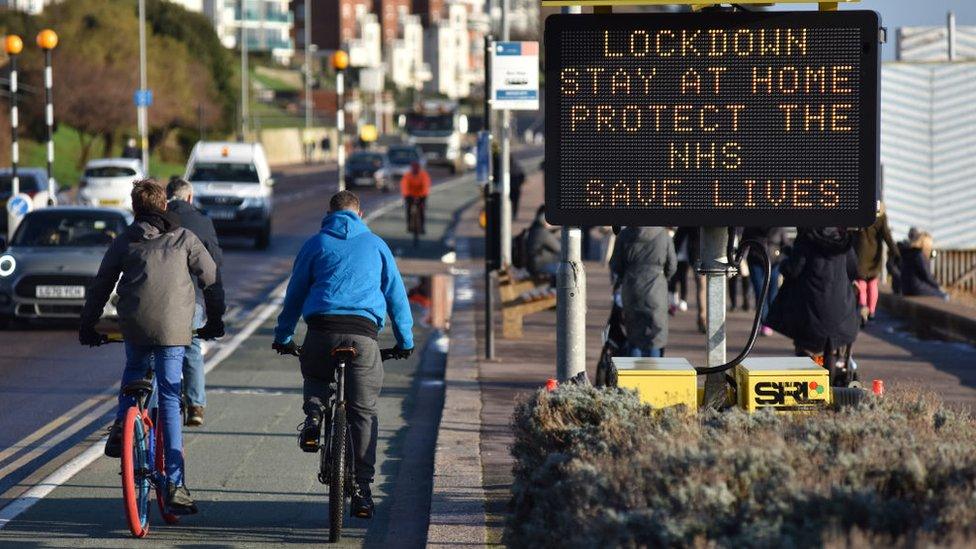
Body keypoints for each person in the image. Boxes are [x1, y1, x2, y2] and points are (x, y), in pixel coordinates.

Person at [79, 180, 225, 515]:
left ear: (134, 208)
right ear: (165, 207)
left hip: (136, 327)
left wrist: (88, 325)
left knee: (133, 371)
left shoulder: (125, 241)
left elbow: (101, 285)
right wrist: (215, 321)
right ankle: (174, 484)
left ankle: (121, 426)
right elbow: (211, 279)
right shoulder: (185, 238)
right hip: (175, 329)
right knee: (171, 398)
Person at [271, 190, 414, 520]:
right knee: (363, 412)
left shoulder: (315, 244)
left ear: (329, 213)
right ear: (360, 214)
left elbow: (294, 295)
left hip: (321, 330)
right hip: (363, 335)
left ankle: (314, 415)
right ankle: (363, 492)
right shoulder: (377, 245)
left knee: (316, 374)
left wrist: (284, 337)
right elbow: (396, 296)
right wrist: (405, 341)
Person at [166, 178, 225, 427]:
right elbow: (214, 262)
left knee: (150, 351)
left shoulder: (156, 219)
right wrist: (216, 315)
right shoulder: (201, 221)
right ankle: (195, 406)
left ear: (168, 197)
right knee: (191, 348)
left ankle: (129, 416)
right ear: (189, 198)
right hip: (189, 297)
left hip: (151, 298)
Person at [766, 227, 859, 358]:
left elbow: (793, 270)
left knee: (805, 352)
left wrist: (783, 262)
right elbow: (853, 269)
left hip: (809, 312)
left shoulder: (806, 240)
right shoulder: (843, 241)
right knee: (835, 345)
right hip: (840, 313)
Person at [609, 226, 677, 357]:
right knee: (655, 337)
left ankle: (634, 374)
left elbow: (615, 265)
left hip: (631, 288)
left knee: (634, 337)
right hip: (656, 289)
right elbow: (672, 265)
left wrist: (626, 276)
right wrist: (663, 279)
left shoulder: (624, 235)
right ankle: (654, 373)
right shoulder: (663, 235)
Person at [854, 202, 899, 325]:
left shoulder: (859, 213)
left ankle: (862, 307)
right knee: (873, 283)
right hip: (875, 254)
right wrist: (895, 251)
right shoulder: (880, 217)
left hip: (860, 252)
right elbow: (887, 236)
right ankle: (872, 310)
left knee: (861, 283)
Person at [742, 227, 788, 336]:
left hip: (774, 264)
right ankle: (765, 323)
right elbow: (744, 243)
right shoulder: (751, 227)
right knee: (760, 293)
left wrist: (781, 259)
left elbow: (786, 245)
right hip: (755, 262)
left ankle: (770, 322)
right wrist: (739, 259)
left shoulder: (779, 227)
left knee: (772, 294)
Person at [670, 227, 706, 333]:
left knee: (702, 287)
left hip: (698, 255)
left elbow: (679, 237)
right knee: (702, 287)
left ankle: (703, 318)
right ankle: (703, 318)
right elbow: (680, 236)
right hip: (699, 256)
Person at [900, 231, 948, 299]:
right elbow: (927, 275)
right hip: (916, 288)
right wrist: (938, 287)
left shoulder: (909, 252)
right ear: (927, 244)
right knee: (945, 296)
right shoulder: (919, 255)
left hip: (906, 289)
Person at [525, 205, 561, 278]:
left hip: (533, 265)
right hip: (539, 265)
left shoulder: (535, 228)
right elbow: (559, 248)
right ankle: (554, 288)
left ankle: (553, 287)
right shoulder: (542, 232)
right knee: (565, 271)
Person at [493, 149, 526, 219]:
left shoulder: (514, 166)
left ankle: (512, 214)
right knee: (511, 202)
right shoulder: (512, 165)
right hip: (512, 187)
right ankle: (511, 214)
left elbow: (522, 175)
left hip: (514, 187)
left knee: (513, 201)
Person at [400, 161, 431, 234]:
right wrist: (407, 195)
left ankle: (422, 226)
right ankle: (409, 225)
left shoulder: (423, 175)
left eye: (417, 168)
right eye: (414, 168)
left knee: (422, 210)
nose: (415, 170)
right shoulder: (407, 175)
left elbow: (426, 186)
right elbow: (404, 186)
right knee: (408, 209)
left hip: (421, 195)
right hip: (410, 195)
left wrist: (423, 195)